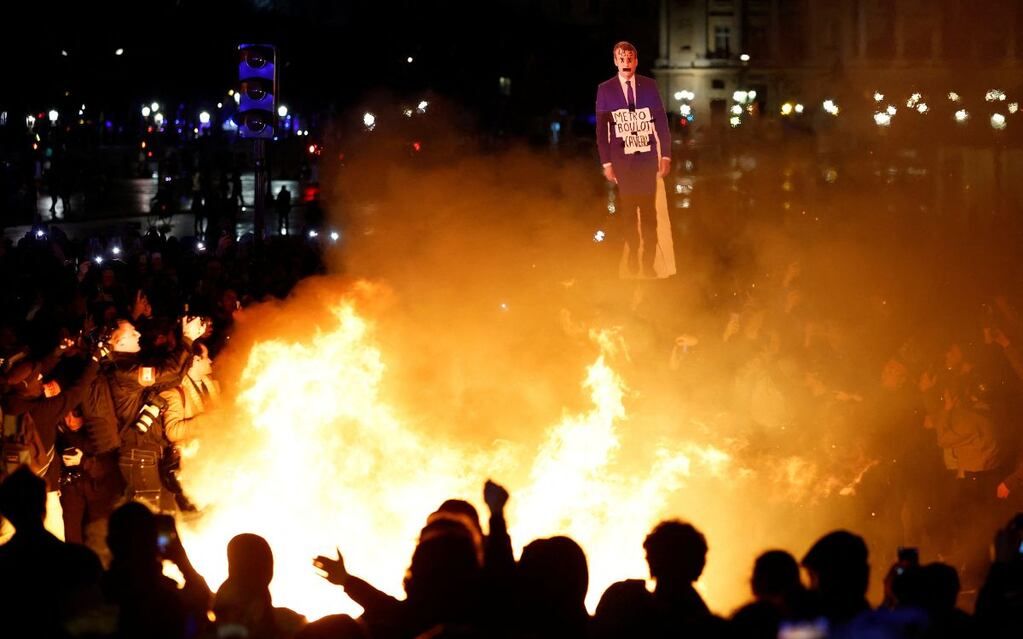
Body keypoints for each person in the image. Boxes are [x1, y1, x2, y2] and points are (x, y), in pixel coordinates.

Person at [595, 41, 672, 279]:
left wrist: (666, 155)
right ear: (615, 61)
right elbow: (601, 130)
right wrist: (607, 163)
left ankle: (648, 263)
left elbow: (661, 123)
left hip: (647, 161)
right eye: (621, 58)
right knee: (629, 214)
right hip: (623, 164)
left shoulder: (649, 86)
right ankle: (631, 256)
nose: (626, 62)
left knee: (649, 215)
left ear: (636, 61)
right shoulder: (605, 89)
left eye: (630, 58)